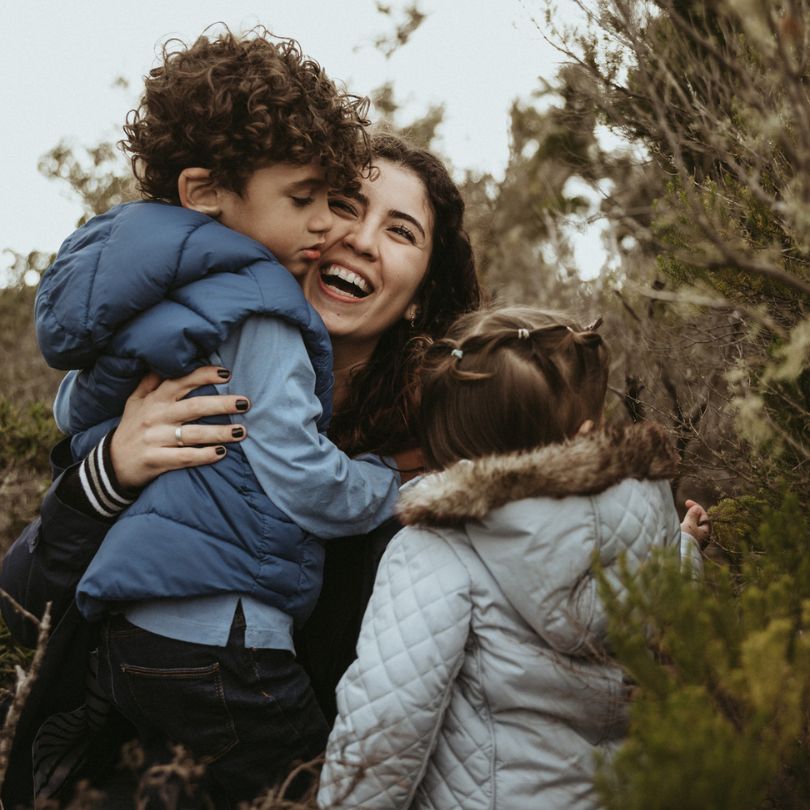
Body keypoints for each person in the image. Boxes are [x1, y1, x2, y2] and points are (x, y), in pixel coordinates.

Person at [1, 129, 483, 806]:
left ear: (422, 293)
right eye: (344, 204)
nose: (360, 239)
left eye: (400, 231)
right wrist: (105, 475)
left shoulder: (441, 446)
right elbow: (20, 614)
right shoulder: (179, 374)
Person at [317, 306, 710, 810]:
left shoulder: (434, 552)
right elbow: (673, 609)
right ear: (585, 434)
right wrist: (686, 547)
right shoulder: (643, 517)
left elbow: (389, 719)